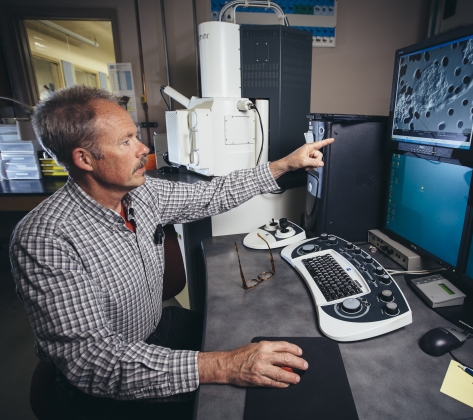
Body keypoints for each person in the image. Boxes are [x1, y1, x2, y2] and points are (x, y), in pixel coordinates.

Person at [9, 85, 334, 419]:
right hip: (103, 385)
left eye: (136, 136)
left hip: (157, 328)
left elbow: (212, 195)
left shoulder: (142, 193)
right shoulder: (45, 240)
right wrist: (225, 365)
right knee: (246, 403)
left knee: (253, 334)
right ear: (84, 159)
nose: (143, 149)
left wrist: (283, 165)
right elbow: (93, 362)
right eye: (126, 141)